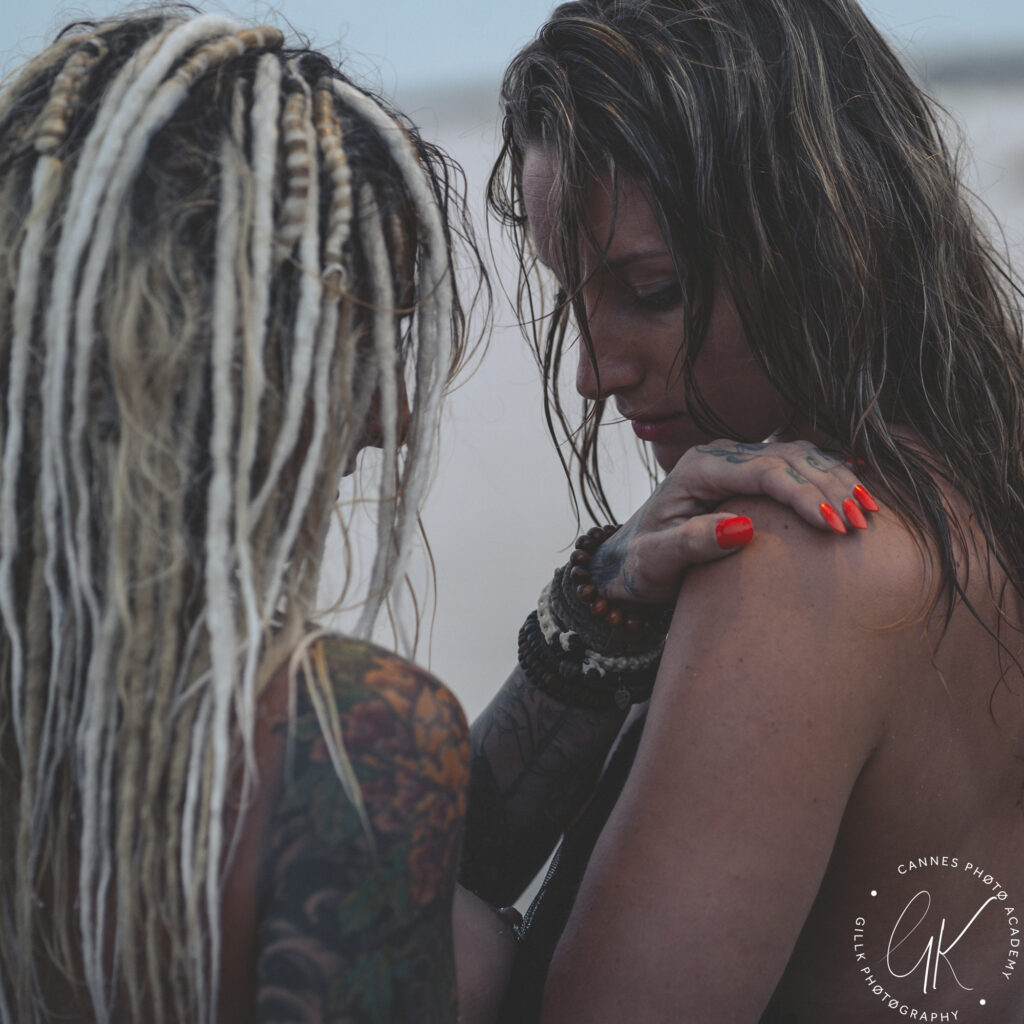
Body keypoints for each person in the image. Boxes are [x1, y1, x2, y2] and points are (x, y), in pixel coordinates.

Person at [0, 8, 874, 1023]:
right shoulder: (331, 744)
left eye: (651, 291)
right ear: (212, 356)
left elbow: (416, 864)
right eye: (360, 338)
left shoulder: (67, 706)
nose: (395, 416)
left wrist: (607, 596)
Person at [459, 0, 1024, 1021]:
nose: (594, 371)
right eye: (571, 295)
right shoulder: (981, 484)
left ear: (829, 232)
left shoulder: (802, 561)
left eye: (653, 290)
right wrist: (606, 598)